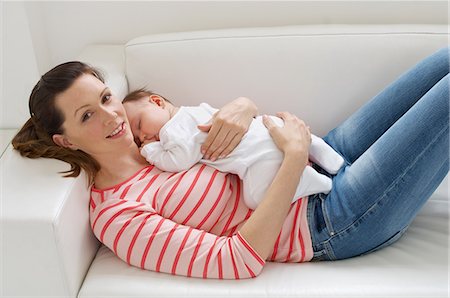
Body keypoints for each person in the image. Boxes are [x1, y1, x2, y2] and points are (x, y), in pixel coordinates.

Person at [12, 47, 449, 279]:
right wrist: (294, 158)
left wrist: (245, 106)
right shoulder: (118, 216)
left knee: (443, 60)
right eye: (87, 115)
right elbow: (237, 260)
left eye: (105, 98)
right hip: (330, 221)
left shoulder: (154, 135)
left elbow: (213, 129)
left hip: (322, 152)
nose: (112, 116)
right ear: (64, 139)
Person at [121, 91, 344, 209]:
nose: (143, 137)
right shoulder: (194, 110)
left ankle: (313, 181)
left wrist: (149, 151)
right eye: (139, 140)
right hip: (268, 127)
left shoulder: (171, 131)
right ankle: (323, 151)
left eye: (139, 125)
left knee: (256, 200)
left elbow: (179, 160)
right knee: (280, 128)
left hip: (256, 158)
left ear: (157, 102)